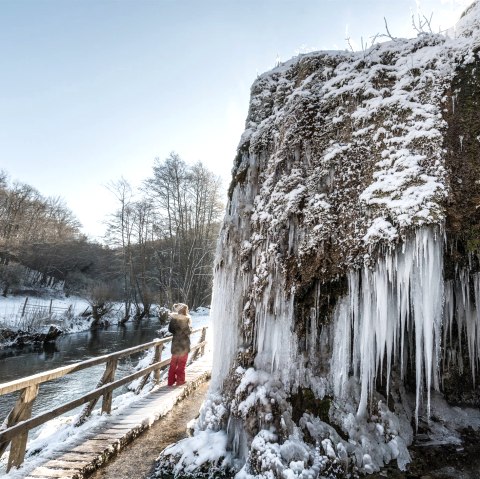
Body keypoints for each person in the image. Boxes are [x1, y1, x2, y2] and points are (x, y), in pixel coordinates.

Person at [167, 303, 192, 386]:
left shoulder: (174, 319)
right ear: (185, 311)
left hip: (175, 344)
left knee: (173, 364)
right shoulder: (185, 319)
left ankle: (170, 381)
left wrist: (176, 332)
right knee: (181, 364)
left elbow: (170, 329)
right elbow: (188, 331)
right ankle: (180, 381)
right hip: (183, 345)